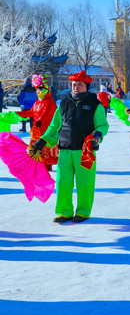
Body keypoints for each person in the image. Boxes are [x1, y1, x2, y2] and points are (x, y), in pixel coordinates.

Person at [28, 70, 108, 223]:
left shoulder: (94, 104)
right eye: (73, 84)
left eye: (80, 84)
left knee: (85, 182)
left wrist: (97, 137)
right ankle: (64, 212)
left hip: (85, 151)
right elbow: (54, 126)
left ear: (87, 86)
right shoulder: (64, 103)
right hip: (64, 150)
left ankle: (83, 212)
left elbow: (102, 125)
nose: (76, 87)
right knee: (62, 182)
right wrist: (41, 141)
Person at [17, 74, 58, 170]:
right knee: (36, 149)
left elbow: (47, 113)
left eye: (39, 91)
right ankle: (37, 165)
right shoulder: (37, 102)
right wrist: (17, 114)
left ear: (45, 90)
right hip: (37, 130)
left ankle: (47, 166)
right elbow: (31, 112)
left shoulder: (50, 102)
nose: (38, 93)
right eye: (37, 91)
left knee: (45, 148)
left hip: (46, 130)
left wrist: (40, 120)